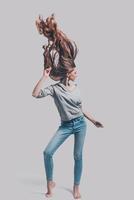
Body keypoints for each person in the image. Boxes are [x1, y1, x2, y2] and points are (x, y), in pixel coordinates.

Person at [32, 13, 104, 199]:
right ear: (67, 73)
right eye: (74, 71)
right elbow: (35, 94)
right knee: (47, 152)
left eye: (75, 70)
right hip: (65, 126)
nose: (76, 72)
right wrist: (45, 76)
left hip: (80, 124)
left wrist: (94, 120)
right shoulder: (55, 89)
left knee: (78, 156)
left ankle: (76, 188)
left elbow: (80, 108)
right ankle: (50, 185)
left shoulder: (78, 89)